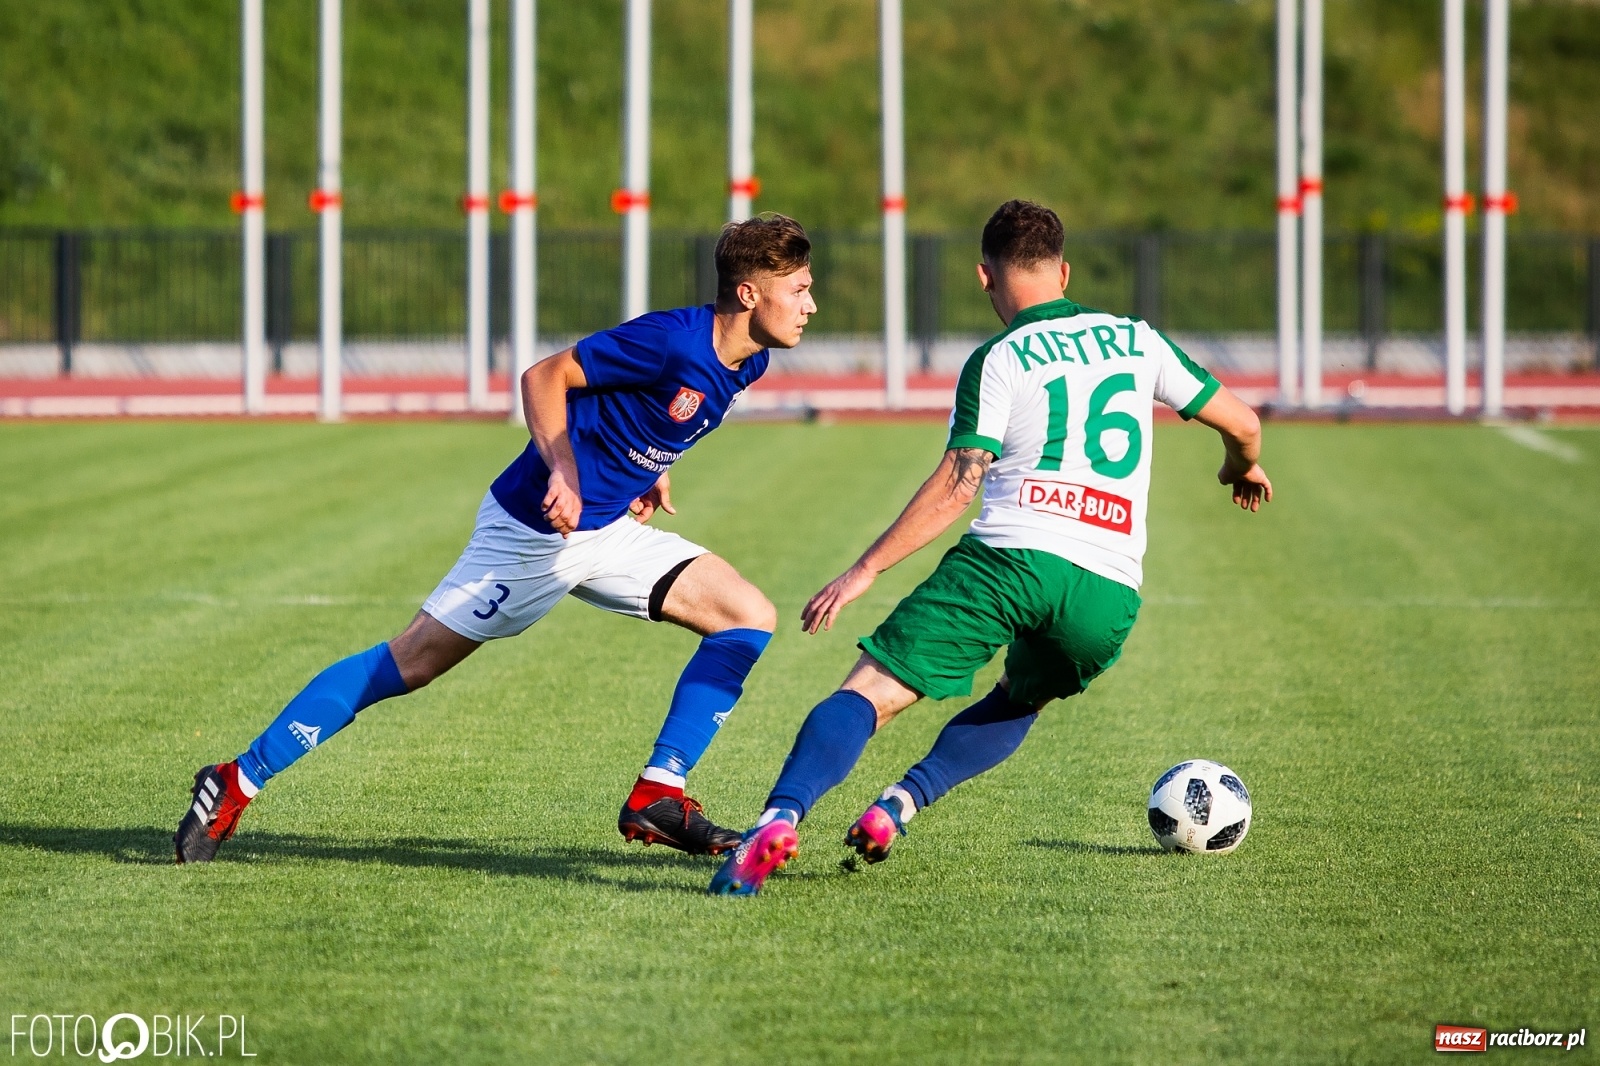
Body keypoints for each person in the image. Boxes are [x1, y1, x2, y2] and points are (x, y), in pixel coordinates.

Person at [175, 214, 817, 864]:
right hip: (531, 534)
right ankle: (237, 780)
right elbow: (544, 377)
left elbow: (649, 411)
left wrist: (649, 470)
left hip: (605, 531)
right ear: (748, 294)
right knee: (412, 662)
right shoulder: (672, 340)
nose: (810, 306)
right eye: (798, 290)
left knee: (747, 617)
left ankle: (660, 791)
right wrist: (565, 469)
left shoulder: (750, 360)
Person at [709, 200, 1272, 895]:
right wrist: (1240, 464)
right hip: (1106, 589)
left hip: (1009, 560)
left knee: (872, 690)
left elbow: (956, 486)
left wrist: (864, 569)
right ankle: (899, 805)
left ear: (985, 278)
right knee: (1019, 699)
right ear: (1064, 271)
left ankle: (777, 819)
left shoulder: (999, 358)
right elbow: (1243, 421)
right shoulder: (1136, 339)